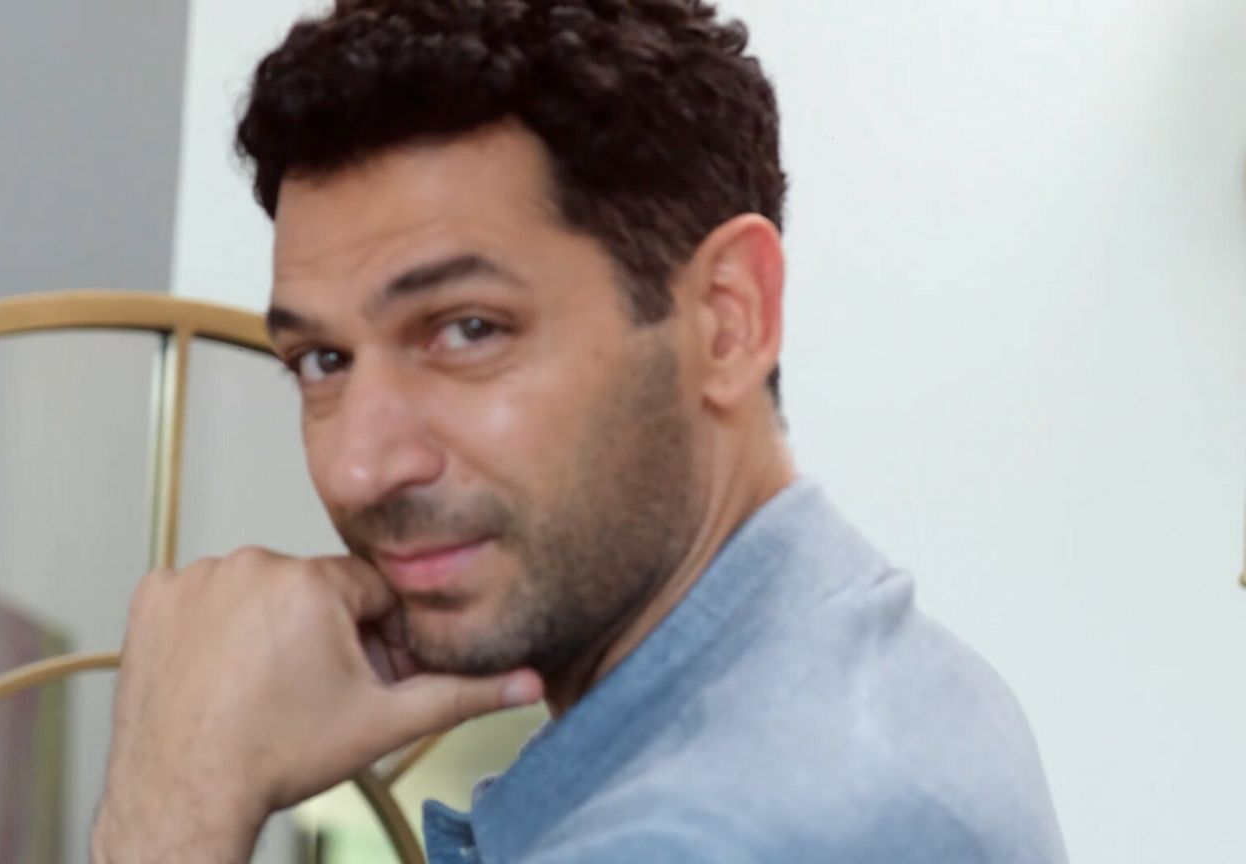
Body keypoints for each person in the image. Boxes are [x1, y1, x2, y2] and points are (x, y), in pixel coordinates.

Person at [92, 1, 1068, 861]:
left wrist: (176, 803)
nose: (358, 467)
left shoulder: (713, 833)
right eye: (322, 360)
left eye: (468, 330)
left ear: (727, 320)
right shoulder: (880, 676)